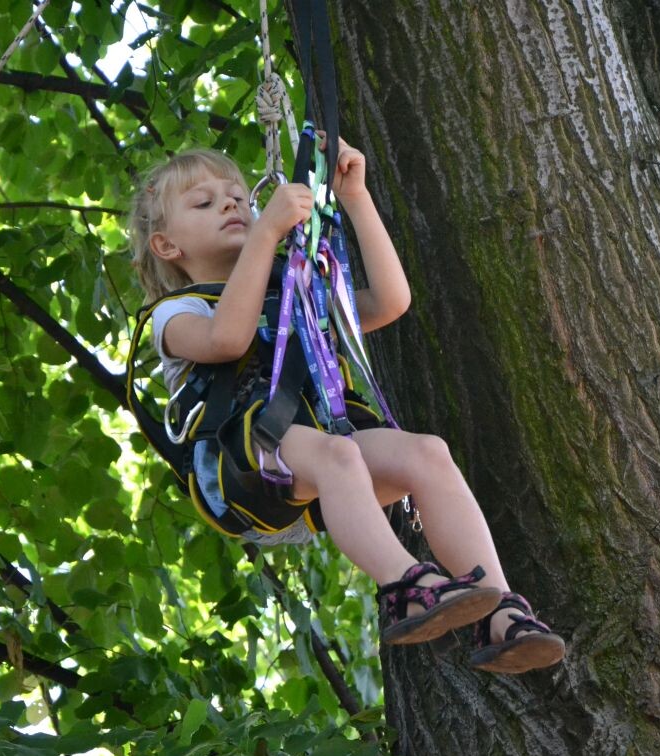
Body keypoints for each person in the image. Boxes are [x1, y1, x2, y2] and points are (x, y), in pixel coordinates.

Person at [129, 143, 565, 673]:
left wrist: (354, 197)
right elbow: (227, 340)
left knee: (427, 453)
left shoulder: (296, 289)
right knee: (337, 453)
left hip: (325, 454)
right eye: (204, 204)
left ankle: (499, 611)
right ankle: (405, 585)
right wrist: (267, 233)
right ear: (166, 245)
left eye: (239, 198)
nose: (231, 206)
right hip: (241, 464)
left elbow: (388, 302)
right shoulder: (175, 312)